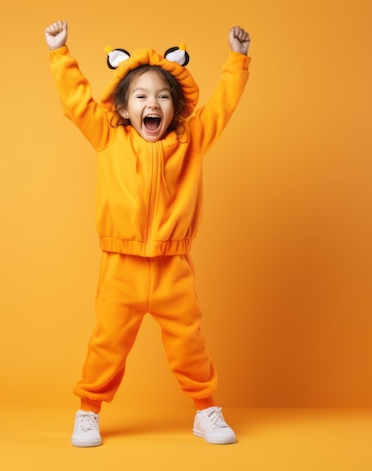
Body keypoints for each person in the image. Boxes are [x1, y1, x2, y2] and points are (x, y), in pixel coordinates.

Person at [45, 19, 250, 447]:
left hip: (173, 266)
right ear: (123, 109)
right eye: (140, 96)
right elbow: (78, 102)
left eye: (161, 96)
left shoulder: (191, 140)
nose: (151, 103)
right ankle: (88, 412)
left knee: (189, 342)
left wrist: (237, 61)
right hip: (122, 266)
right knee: (107, 343)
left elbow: (222, 107)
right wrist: (60, 54)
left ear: (175, 108)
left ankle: (205, 410)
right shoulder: (109, 137)